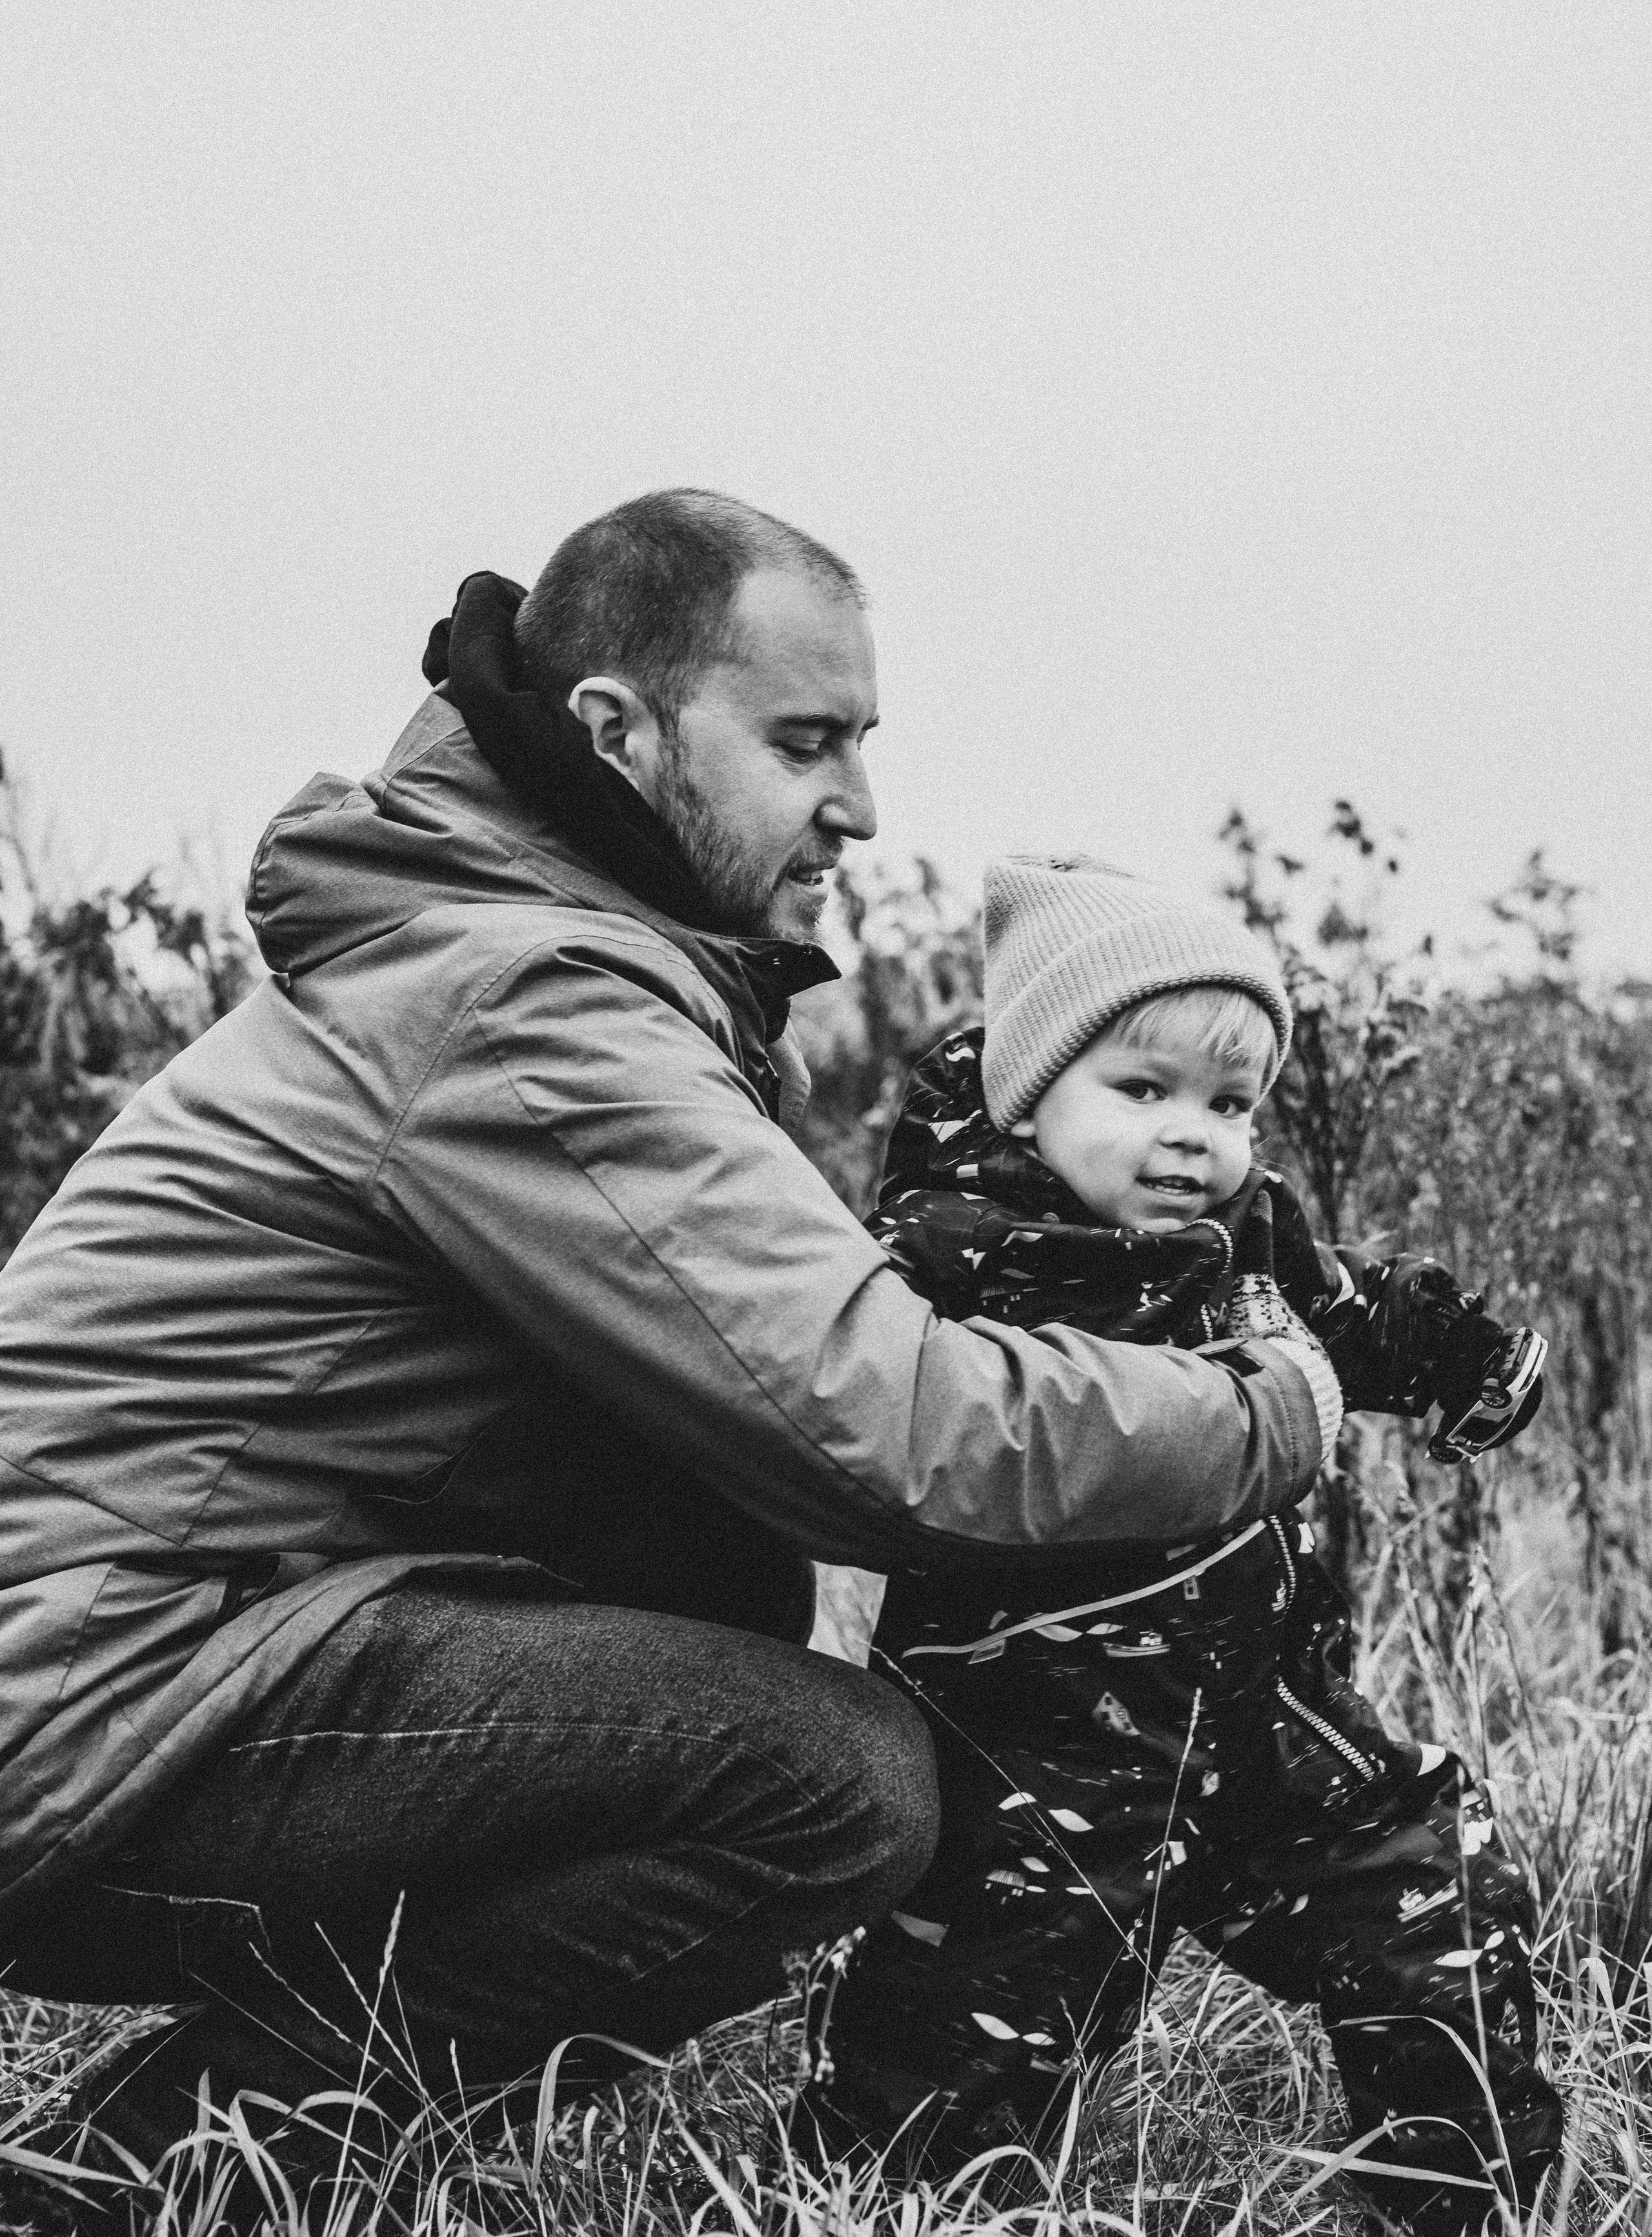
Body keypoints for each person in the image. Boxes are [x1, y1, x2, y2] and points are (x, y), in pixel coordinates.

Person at [0, 495, 1332, 2183]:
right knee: (828, 1780)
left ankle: (164, 2161)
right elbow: (896, 1433)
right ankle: (126, 2190)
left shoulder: (521, 961)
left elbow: (767, 1425)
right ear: (618, 733)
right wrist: (1285, 1400)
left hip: (154, 1658)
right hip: (91, 1712)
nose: (857, 807)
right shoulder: (531, 1003)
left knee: (721, 1606)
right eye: (804, 742)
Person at [809, 854, 1560, 2232]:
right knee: (958, 2078)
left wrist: (1453, 1356)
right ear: (1026, 1095)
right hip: (1035, 1768)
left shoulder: (1242, 1233)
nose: (1190, 1138)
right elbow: (850, 1417)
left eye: (1228, 1104)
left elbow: (1343, 1315)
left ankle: (1459, 2200)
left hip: (1266, 1721)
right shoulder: (939, 1261)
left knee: (1434, 1897)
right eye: (1138, 1091)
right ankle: (881, 2196)